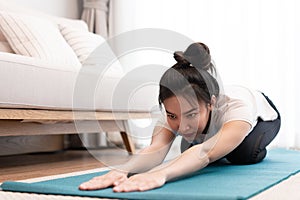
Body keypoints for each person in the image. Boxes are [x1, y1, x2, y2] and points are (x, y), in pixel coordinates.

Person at [79, 42, 281, 192]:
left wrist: (161, 174)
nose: (182, 127)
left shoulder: (237, 108)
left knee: (241, 153)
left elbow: (206, 153)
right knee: (190, 150)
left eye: (191, 114)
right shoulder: (171, 109)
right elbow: (156, 149)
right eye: (172, 116)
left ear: (211, 103)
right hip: (214, 127)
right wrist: (123, 171)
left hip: (264, 118)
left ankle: (237, 146)